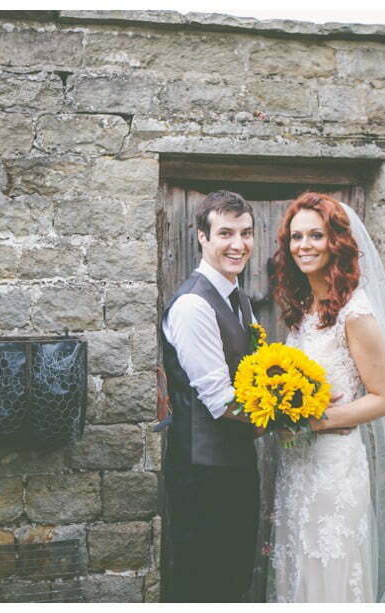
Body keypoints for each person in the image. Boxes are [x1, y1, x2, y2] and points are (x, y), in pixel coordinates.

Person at [266, 192, 385, 602]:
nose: (303, 245)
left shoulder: (355, 315)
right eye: (296, 236)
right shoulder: (303, 309)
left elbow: (383, 398)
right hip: (298, 466)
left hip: (335, 467)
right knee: (298, 568)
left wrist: (315, 419)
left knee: (332, 570)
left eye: (315, 236)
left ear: (334, 242)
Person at [160, 190, 260, 602]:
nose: (238, 244)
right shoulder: (193, 306)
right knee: (201, 586)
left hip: (233, 465)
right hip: (203, 471)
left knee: (232, 580)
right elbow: (221, 401)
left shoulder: (238, 300)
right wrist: (294, 413)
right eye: (225, 233)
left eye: (246, 233)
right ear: (202, 237)